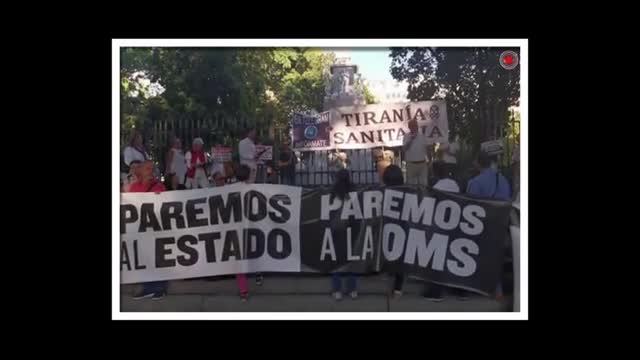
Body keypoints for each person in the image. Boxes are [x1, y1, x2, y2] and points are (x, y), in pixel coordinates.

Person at [464, 151, 512, 300]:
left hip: (482, 225)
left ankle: (477, 287)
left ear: (478, 163)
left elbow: (469, 206)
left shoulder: (475, 183)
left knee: (479, 255)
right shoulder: (502, 179)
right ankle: (498, 290)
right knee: (497, 256)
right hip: (502, 223)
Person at [421, 161, 462, 301]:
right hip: (455, 224)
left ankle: (436, 292)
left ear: (435, 173)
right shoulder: (454, 185)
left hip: (439, 226)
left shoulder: (437, 187)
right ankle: (459, 290)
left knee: (437, 258)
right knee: (453, 257)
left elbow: (429, 205)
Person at [128, 160, 168, 300]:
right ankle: (147, 287)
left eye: (152, 168)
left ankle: (159, 288)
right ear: (140, 171)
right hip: (138, 229)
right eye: (147, 168)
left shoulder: (159, 186)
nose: (150, 171)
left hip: (154, 229)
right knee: (144, 258)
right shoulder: (133, 187)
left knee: (156, 258)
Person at [329, 169, 358, 301]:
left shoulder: (333, 192)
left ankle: (337, 290)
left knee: (337, 260)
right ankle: (352, 289)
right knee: (351, 260)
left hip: (337, 229)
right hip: (351, 228)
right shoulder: (355, 191)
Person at [381, 165, 408, 298]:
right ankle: (398, 288)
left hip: (387, 230)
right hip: (402, 230)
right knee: (400, 259)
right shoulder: (407, 193)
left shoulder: (382, 192)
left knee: (388, 257)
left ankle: (389, 281)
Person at [402, 119, 429, 186]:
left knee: (424, 184)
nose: (414, 127)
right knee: (411, 185)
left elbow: (427, 148)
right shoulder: (406, 136)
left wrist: (429, 160)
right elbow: (404, 148)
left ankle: (423, 196)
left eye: (415, 125)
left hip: (422, 163)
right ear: (409, 127)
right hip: (411, 164)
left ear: (417, 126)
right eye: (412, 126)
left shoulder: (422, 136)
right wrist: (411, 140)